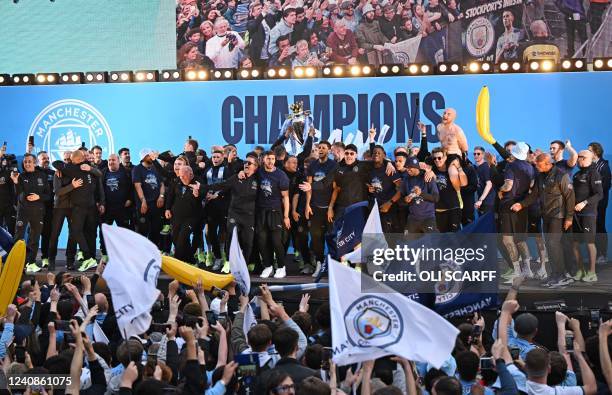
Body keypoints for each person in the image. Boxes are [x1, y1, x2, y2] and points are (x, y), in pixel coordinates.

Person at [511, 153, 576, 288]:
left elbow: (570, 197)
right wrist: (521, 204)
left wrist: (569, 217)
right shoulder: (540, 176)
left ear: (548, 163)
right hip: (546, 215)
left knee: (554, 244)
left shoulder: (561, 175)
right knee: (550, 246)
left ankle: (561, 276)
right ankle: (554, 275)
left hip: (558, 216)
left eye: (538, 165)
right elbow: (534, 195)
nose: (536, 167)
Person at [57, 150, 102, 272]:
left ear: (76, 159)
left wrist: (90, 169)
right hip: (88, 207)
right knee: (78, 233)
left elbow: (56, 163)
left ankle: (88, 258)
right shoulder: (83, 167)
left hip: (82, 208)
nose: (70, 161)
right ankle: (84, 258)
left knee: (80, 232)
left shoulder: (76, 168)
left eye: (71, 159)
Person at [498, 142, 536, 282]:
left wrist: (500, 190)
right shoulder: (531, 168)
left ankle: (517, 272)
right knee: (520, 239)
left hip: (508, 205)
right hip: (522, 206)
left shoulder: (511, 166)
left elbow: (508, 186)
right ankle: (528, 270)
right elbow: (531, 187)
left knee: (507, 239)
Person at [11, 154, 51, 272]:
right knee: (19, 237)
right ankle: (15, 263)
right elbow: (18, 193)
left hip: (37, 211)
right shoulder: (21, 176)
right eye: (25, 162)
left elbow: (48, 196)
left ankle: (31, 263)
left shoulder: (42, 176)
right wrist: (15, 182)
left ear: (35, 163)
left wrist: (38, 197)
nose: (27, 164)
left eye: (29, 162)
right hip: (23, 211)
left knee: (34, 238)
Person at [256, 151, 291, 279]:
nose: (270, 161)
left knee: (276, 241)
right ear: (263, 160)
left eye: (272, 159)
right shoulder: (258, 172)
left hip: (275, 212)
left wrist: (286, 216)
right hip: (261, 212)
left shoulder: (281, 175)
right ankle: (268, 266)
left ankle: (281, 267)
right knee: (262, 241)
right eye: (268, 159)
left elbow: (285, 197)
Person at [305, 141, 337, 277]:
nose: (321, 149)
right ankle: (319, 263)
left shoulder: (333, 165)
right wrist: (307, 205)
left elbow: (336, 188)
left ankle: (332, 265)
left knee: (332, 237)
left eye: (324, 148)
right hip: (315, 208)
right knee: (316, 238)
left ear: (329, 150)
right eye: (319, 148)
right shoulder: (312, 165)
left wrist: (330, 207)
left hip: (329, 208)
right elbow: (308, 186)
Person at [571, 150, 603, 282]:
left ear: (590, 159)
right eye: (578, 157)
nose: (579, 159)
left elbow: (599, 194)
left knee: (590, 243)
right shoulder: (577, 174)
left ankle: (592, 272)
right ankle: (580, 269)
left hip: (588, 214)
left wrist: (584, 203)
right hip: (575, 214)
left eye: (583, 157)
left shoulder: (594, 173)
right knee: (574, 243)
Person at [165, 166, 203, 264]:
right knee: (175, 239)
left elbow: (203, 196)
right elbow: (170, 195)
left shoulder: (198, 182)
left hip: (191, 217)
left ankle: (177, 265)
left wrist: (197, 194)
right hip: (176, 216)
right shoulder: (177, 181)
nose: (182, 178)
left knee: (182, 239)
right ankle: (191, 260)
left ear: (191, 174)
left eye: (184, 176)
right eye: (180, 176)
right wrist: (167, 209)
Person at [202, 149, 231, 271]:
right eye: (213, 157)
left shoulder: (227, 170)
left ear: (222, 158)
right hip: (210, 207)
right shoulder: (207, 170)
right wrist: (206, 195)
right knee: (211, 232)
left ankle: (225, 256)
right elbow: (203, 185)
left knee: (224, 231)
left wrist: (217, 195)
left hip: (223, 206)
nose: (215, 159)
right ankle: (217, 257)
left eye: (218, 157)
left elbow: (229, 186)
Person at [100, 154, 133, 256]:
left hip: (122, 208)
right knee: (104, 232)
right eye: (109, 160)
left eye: (113, 160)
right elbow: (98, 189)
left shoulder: (126, 173)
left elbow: (132, 187)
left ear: (118, 161)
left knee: (125, 232)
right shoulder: (103, 172)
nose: (111, 162)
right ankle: (105, 254)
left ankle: (125, 254)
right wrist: (100, 203)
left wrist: (130, 199)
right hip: (107, 208)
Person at [132, 148, 165, 249]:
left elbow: (162, 184)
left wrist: (161, 196)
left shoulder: (155, 168)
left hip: (156, 205)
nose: (151, 157)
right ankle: (140, 253)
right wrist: (143, 201)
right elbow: (138, 186)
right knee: (142, 230)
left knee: (156, 230)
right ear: (144, 157)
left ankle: (153, 252)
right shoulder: (137, 169)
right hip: (144, 205)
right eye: (149, 155)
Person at [401, 156, 439, 236]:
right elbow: (401, 198)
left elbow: (436, 198)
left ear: (416, 167)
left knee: (433, 244)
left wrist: (421, 193)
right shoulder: (406, 179)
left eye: (409, 167)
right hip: (412, 218)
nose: (407, 170)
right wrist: (405, 199)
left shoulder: (427, 177)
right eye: (406, 167)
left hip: (428, 218)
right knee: (407, 244)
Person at [431, 148, 467, 232]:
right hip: (438, 210)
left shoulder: (452, 170)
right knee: (441, 240)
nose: (437, 160)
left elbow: (464, 183)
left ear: (445, 158)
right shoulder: (433, 171)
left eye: (439, 158)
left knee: (455, 238)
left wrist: (459, 168)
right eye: (434, 158)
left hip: (453, 208)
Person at [588, 142, 610, 263]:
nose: (587, 153)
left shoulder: (604, 166)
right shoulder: (591, 166)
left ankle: (602, 254)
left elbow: (606, 186)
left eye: (590, 151)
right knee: (593, 227)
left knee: (600, 226)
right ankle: (595, 255)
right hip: (592, 203)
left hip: (600, 203)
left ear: (596, 152)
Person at [36, 151, 55, 269]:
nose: (46, 160)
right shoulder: (34, 172)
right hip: (35, 209)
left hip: (49, 208)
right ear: (38, 160)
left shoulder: (53, 173)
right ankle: (30, 260)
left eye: (47, 158)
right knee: (34, 235)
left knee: (46, 234)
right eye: (43, 158)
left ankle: (45, 258)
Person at [473, 146, 495, 215]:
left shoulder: (485, 167)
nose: (476, 155)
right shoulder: (478, 167)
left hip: (488, 202)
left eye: (478, 154)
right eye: (474, 154)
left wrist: (480, 200)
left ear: (483, 155)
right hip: (482, 202)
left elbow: (489, 184)